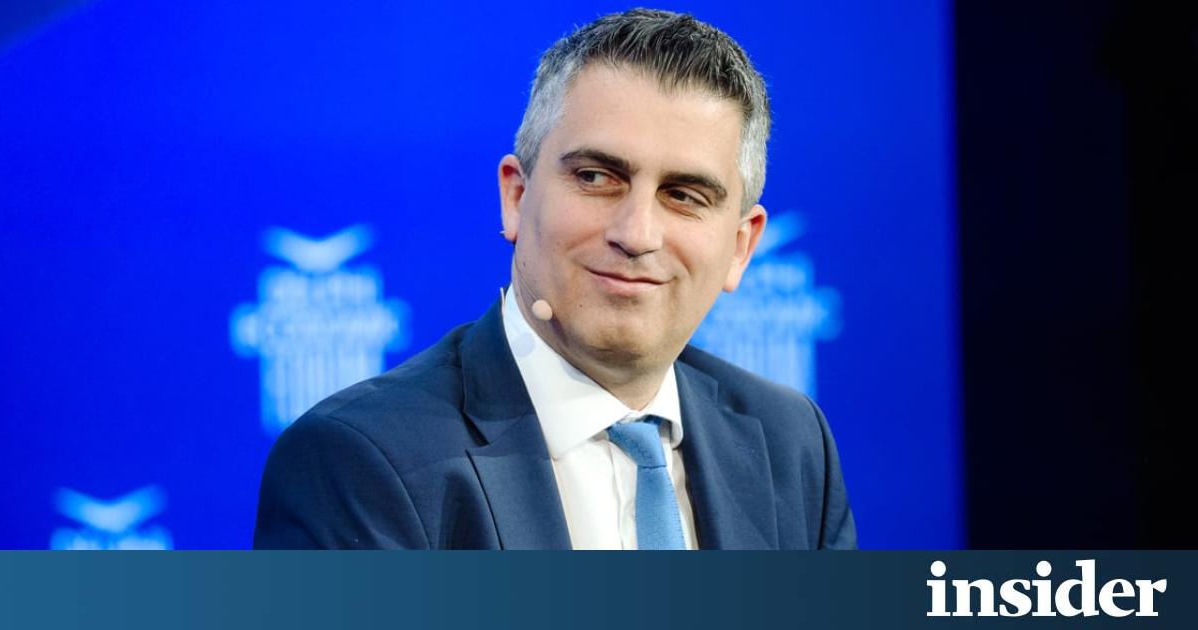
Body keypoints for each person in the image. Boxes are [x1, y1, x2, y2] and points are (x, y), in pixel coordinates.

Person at [253, 8, 856, 550]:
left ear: (740, 246)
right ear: (516, 197)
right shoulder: (360, 461)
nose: (637, 233)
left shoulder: (791, 444)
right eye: (596, 177)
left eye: (684, 195)